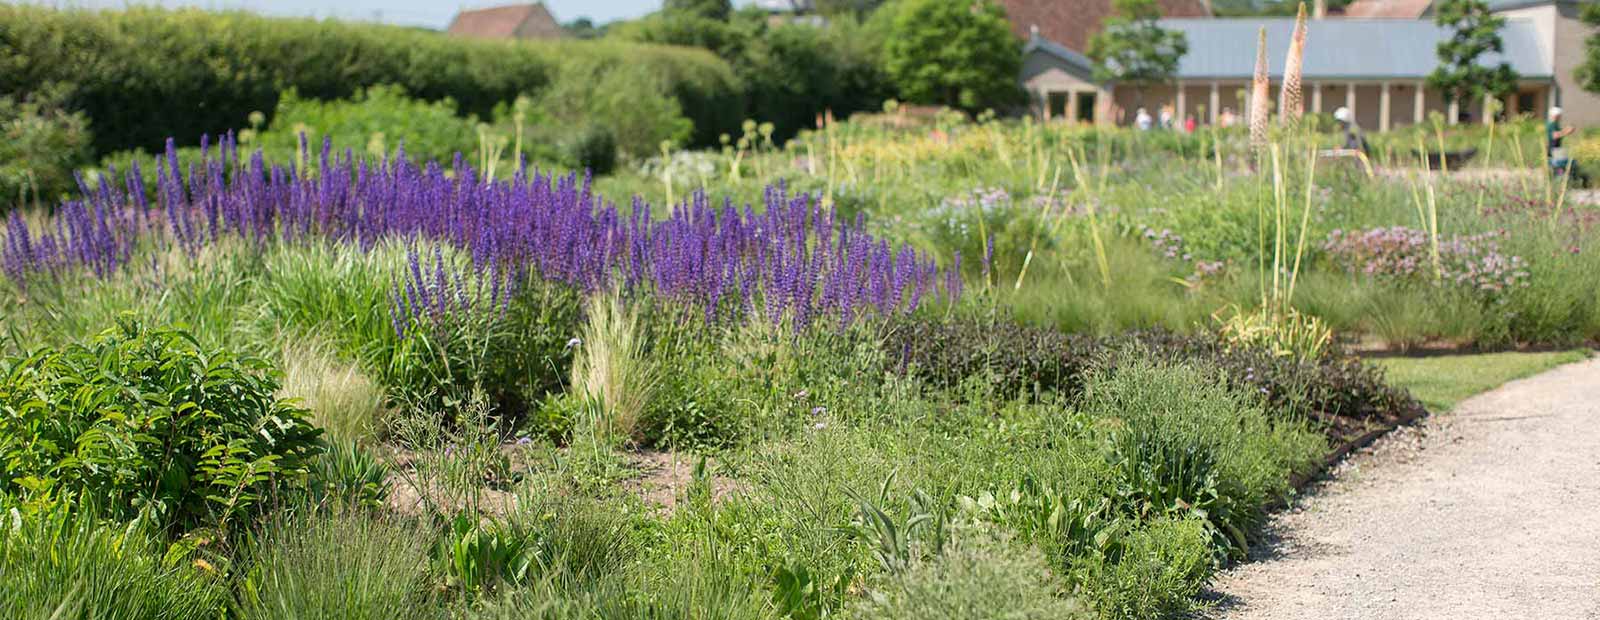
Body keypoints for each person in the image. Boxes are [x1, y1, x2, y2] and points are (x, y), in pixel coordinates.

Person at [1548, 107, 1587, 184]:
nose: (1560, 117)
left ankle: (1565, 179)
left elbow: (1559, 133)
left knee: (1564, 163)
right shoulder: (1551, 124)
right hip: (1553, 149)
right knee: (1562, 164)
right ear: (1555, 115)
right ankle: (1561, 180)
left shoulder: (1555, 124)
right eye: (1559, 115)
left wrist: (1566, 130)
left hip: (1556, 148)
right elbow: (1554, 135)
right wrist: (1567, 131)